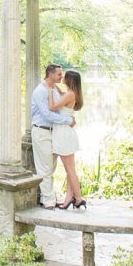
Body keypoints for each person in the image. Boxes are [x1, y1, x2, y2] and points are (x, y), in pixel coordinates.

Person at [30, 64, 75, 209]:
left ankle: (47, 198)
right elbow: (47, 114)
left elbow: (60, 106)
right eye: (59, 74)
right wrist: (68, 121)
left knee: (51, 167)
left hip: (54, 132)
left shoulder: (55, 88)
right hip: (42, 131)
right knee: (45, 168)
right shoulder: (40, 91)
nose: (61, 76)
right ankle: (49, 202)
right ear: (50, 74)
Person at [48, 69, 85, 209]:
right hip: (66, 133)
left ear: (70, 80)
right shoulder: (70, 93)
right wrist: (53, 86)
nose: (62, 77)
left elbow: (52, 107)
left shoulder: (70, 94)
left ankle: (78, 198)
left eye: (65, 76)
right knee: (70, 169)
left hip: (64, 134)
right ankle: (69, 199)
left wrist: (50, 91)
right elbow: (61, 93)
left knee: (70, 170)